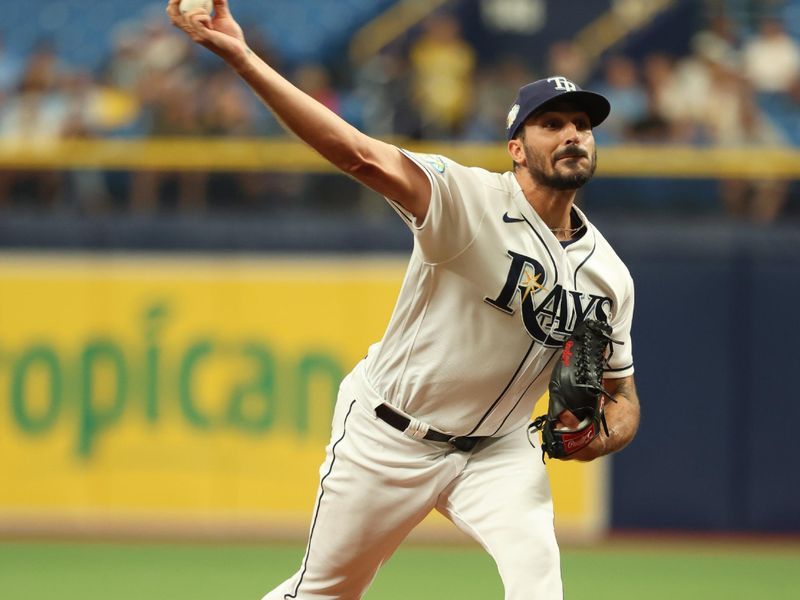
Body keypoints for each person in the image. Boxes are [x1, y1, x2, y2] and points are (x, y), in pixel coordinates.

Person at [166, 2, 641, 598]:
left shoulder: (610, 277)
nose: (573, 134)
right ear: (516, 147)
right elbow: (356, 153)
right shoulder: (467, 200)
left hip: (498, 452)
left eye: (582, 124)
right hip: (391, 436)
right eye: (552, 124)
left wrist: (607, 432)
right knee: (325, 591)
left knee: (540, 587)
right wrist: (241, 56)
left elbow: (623, 396)